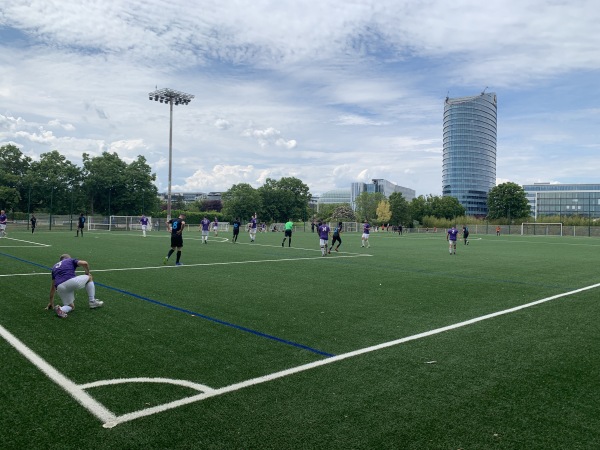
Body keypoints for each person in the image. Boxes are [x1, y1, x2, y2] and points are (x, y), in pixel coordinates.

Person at [47, 254, 103, 318]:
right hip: (70, 281)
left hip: (59, 287)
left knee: (71, 306)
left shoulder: (54, 267)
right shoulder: (70, 260)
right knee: (89, 278)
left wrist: (51, 302)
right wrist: (87, 273)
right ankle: (92, 301)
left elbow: (52, 287)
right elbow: (85, 263)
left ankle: (61, 309)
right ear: (68, 258)